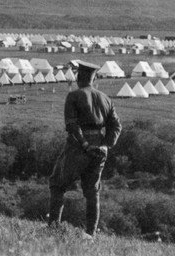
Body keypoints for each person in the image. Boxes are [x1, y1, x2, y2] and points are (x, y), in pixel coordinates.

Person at [48, 61, 122, 238]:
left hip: (79, 146)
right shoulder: (105, 98)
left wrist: (85, 145)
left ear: (79, 77)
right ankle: (90, 234)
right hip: (100, 147)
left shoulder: (74, 96)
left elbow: (72, 125)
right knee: (92, 192)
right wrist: (105, 145)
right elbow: (117, 125)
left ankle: (53, 228)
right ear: (94, 77)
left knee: (57, 184)